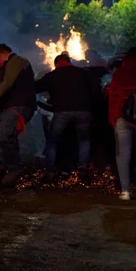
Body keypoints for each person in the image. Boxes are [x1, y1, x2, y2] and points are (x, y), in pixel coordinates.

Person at [36, 52, 100, 181]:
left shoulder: (53, 75)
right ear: (69, 62)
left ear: (57, 64)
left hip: (62, 112)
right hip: (83, 111)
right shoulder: (84, 73)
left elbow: (36, 87)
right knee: (84, 140)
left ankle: (51, 170)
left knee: (52, 140)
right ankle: (82, 169)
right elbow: (96, 91)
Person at [0, 43, 36, 186]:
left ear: (0, 54)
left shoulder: (17, 60)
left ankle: (15, 168)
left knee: (3, 135)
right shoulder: (5, 66)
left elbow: (8, 82)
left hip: (17, 105)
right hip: (3, 107)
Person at [107, 47, 136, 200]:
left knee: (123, 154)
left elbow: (113, 96)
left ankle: (125, 191)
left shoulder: (120, 73)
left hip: (121, 117)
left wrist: (113, 118)